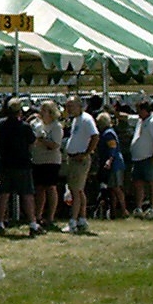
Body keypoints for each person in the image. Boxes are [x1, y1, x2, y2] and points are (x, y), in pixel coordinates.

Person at [0, 98, 42, 237]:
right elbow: (32, 143)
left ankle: (0, 221)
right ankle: (32, 223)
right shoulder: (24, 127)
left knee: (4, 193)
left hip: (6, 163)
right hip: (22, 164)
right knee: (27, 194)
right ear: (19, 111)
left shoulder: (1, 124)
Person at [62, 95, 99, 234]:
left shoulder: (86, 119)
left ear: (79, 106)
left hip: (80, 159)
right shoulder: (76, 120)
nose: (69, 109)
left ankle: (73, 221)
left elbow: (95, 136)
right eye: (67, 106)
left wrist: (86, 153)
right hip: (72, 158)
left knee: (75, 191)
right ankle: (82, 218)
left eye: (71, 106)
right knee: (78, 190)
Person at [28, 100, 64, 230]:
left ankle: (51, 217)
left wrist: (42, 140)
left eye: (44, 110)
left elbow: (55, 145)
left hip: (51, 161)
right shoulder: (37, 124)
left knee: (50, 188)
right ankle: (38, 216)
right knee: (39, 189)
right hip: (37, 160)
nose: (41, 112)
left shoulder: (56, 127)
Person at [129, 101, 153, 217]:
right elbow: (127, 117)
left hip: (150, 158)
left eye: (139, 110)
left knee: (152, 183)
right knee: (138, 183)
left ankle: (152, 208)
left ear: (145, 110)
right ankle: (139, 207)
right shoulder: (140, 121)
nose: (137, 113)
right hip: (138, 158)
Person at [95, 111, 128, 219]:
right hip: (110, 163)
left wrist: (109, 160)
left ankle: (124, 210)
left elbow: (112, 148)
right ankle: (113, 211)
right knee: (111, 189)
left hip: (115, 164)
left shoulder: (108, 134)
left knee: (116, 188)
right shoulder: (107, 132)